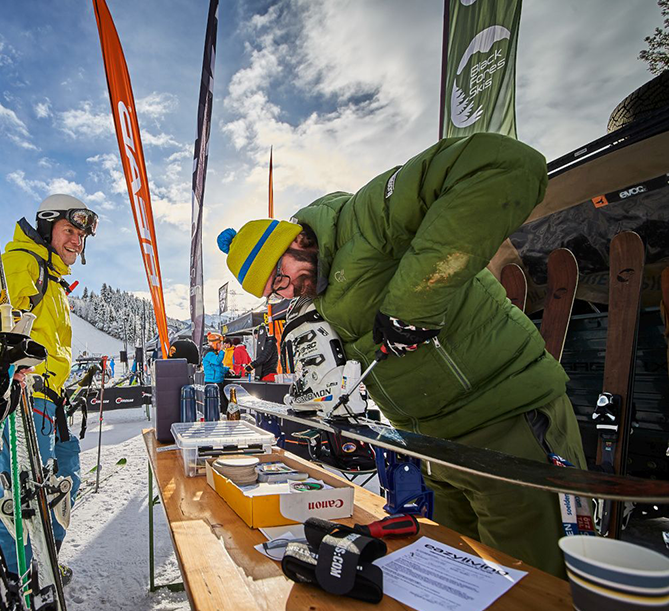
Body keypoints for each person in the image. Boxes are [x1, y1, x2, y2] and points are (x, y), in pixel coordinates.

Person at [216, 132, 585, 578]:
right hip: (433, 447)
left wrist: (412, 305)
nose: (287, 291)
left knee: (539, 593)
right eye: (274, 291)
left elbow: (506, 164)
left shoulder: (367, 217)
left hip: (504, 421)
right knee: (462, 587)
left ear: (293, 239)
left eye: (281, 277)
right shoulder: (317, 293)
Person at [0, 193, 97, 582]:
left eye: (81, 237)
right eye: (69, 231)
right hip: (26, 397)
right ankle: (15, 581)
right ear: (48, 227)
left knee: (64, 485)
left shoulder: (54, 279)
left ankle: (43, 564)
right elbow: (0, 327)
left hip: (52, 400)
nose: (76, 242)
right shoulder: (24, 264)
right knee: (19, 497)